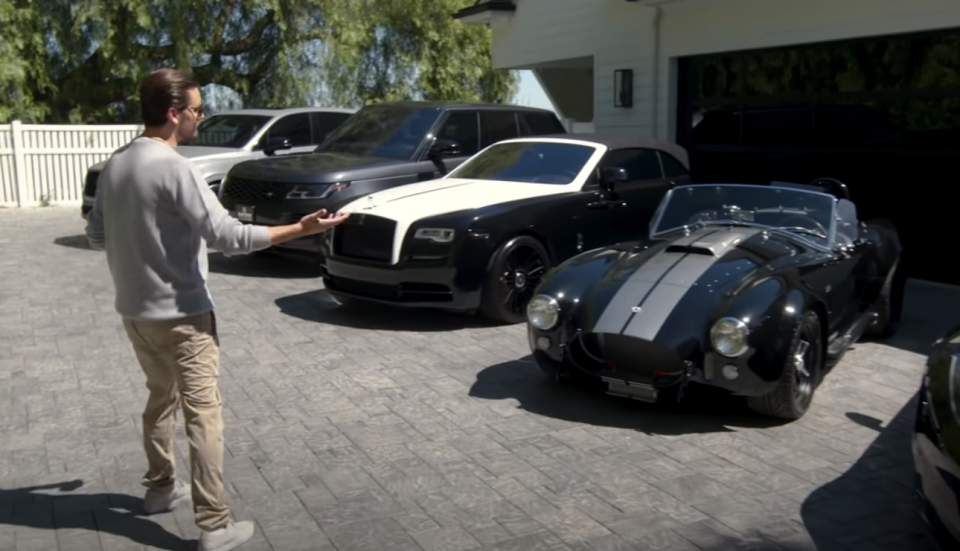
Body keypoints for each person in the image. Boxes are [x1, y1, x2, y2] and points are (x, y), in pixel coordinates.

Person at [85, 67, 349, 551]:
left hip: (136, 315)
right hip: (184, 317)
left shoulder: (116, 163)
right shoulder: (175, 168)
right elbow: (230, 238)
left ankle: (159, 490)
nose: (200, 119)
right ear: (173, 113)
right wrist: (303, 229)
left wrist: (139, 246)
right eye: (197, 110)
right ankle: (214, 526)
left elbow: (97, 234)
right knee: (203, 415)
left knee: (159, 400)